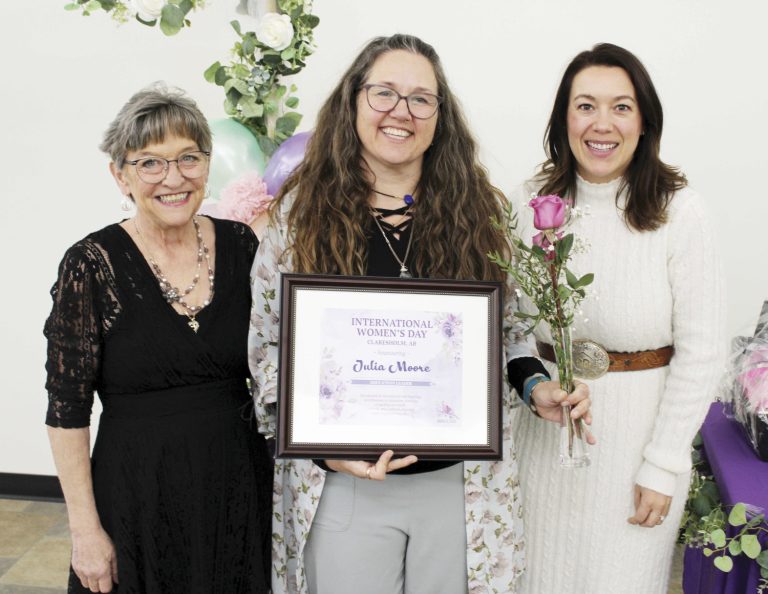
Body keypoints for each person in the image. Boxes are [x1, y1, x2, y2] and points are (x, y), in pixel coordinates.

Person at [248, 34, 592, 594]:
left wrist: (536, 387)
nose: (400, 112)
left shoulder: (482, 213)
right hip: (345, 486)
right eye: (383, 93)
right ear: (353, 102)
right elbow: (268, 349)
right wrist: (323, 451)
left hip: (461, 490)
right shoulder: (299, 217)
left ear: (440, 114)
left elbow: (513, 332)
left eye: (420, 99)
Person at [509, 43, 725, 594]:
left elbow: (702, 352)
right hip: (546, 443)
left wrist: (663, 463)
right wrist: (535, 387)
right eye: (585, 105)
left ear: (645, 120)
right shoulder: (531, 201)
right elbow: (510, 326)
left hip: (639, 450)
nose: (601, 123)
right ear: (564, 118)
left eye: (621, 107)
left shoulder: (680, 210)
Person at [44, 85, 271, 594]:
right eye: (150, 163)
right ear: (119, 174)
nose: (174, 178)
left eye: (188, 157)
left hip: (237, 490)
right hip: (136, 498)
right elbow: (67, 410)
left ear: (207, 164)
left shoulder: (242, 245)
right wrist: (85, 531)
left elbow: (280, 356)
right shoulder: (92, 264)